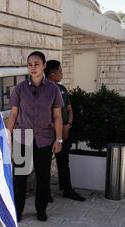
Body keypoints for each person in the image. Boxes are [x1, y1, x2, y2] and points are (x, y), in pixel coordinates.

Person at [6, 51, 64, 222]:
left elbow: (58, 116)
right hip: (22, 138)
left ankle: (41, 210)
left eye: (37, 63)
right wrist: (7, 136)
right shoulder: (20, 88)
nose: (33, 67)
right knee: (20, 178)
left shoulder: (54, 89)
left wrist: (59, 139)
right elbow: (14, 113)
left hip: (44, 139)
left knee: (43, 176)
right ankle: (18, 211)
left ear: (44, 65)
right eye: (30, 64)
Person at [44, 60, 86, 202]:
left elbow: (69, 109)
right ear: (52, 74)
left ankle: (67, 189)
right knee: (44, 164)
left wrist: (68, 125)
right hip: (48, 134)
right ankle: (45, 192)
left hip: (64, 132)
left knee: (63, 161)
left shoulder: (62, 89)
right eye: (60, 71)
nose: (62, 74)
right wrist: (57, 130)